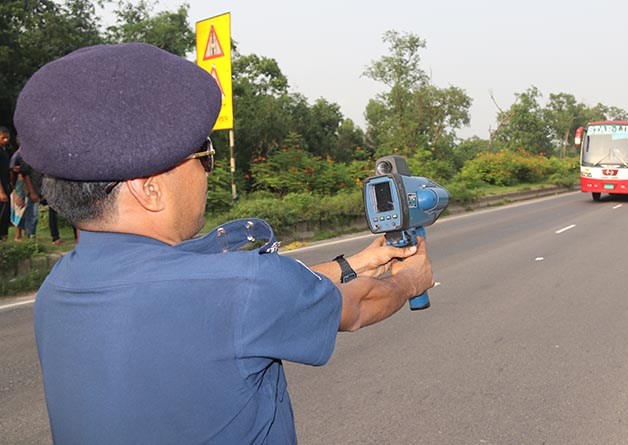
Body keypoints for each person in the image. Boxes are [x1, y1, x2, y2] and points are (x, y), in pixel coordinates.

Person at [16, 43, 434, 444]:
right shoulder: (243, 287)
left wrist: (356, 263)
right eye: (204, 156)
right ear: (150, 190)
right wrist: (409, 280)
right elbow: (355, 308)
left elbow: (239, 294)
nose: (208, 172)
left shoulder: (58, 287)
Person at [0, 127, 11, 241]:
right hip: (1, 188)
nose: (6, 140)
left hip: (6, 184)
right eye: (3, 137)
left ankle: (4, 237)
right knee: (2, 213)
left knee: (6, 213)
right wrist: (1, 191)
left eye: (7, 137)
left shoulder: (4, 150)